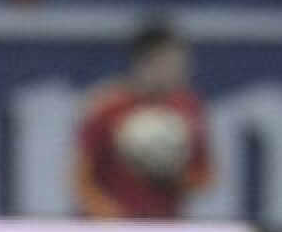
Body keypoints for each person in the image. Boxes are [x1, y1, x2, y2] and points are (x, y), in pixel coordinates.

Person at [73, 20, 214, 220]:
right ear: (144, 62)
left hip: (166, 229)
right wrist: (111, 217)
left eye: (182, 65)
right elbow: (81, 180)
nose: (178, 73)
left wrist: (170, 173)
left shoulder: (188, 108)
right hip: (111, 231)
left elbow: (205, 176)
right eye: (169, 64)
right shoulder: (107, 107)